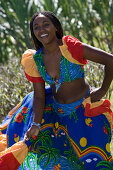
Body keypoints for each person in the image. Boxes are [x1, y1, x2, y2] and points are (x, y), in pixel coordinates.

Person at [0, 11, 113, 170]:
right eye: (36, 27)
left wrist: (102, 90)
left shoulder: (71, 47)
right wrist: (36, 124)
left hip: (82, 111)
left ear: (56, 28)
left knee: (93, 160)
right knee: (53, 156)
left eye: (46, 24)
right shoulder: (36, 59)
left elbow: (110, 60)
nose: (41, 29)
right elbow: (39, 96)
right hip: (56, 113)